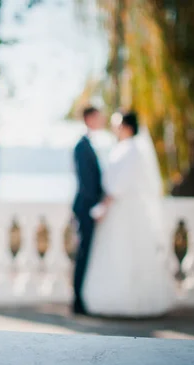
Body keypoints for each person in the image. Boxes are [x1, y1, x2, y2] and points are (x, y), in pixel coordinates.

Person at [83, 111, 175, 317]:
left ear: (126, 127)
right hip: (119, 209)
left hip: (124, 209)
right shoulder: (124, 148)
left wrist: (104, 206)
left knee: (128, 249)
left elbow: (120, 185)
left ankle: (132, 301)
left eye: (116, 124)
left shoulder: (132, 150)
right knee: (117, 251)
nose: (114, 128)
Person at [71, 106, 105, 315]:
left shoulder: (89, 144)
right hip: (86, 209)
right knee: (82, 254)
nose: (101, 120)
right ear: (89, 118)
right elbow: (86, 184)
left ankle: (81, 298)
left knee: (86, 253)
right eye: (98, 117)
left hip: (89, 208)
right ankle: (77, 301)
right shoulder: (81, 147)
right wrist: (95, 208)